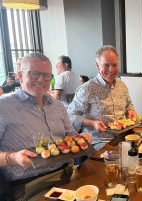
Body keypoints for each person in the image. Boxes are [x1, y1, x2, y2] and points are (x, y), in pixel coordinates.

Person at [0, 53, 92, 201]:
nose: (41, 80)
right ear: (20, 75)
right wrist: (13, 158)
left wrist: (81, 138)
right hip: (30, 184)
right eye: (34, 74)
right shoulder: (3, 106)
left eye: (46, 75)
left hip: (67, 172)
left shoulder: (57, 106)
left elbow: (71, 135)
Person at [68, 45, 137, 151]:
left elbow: (128, 103)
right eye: (106, 65)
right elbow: (70, 115)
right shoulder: (87, 89)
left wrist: (130, 110)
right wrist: (92, 123)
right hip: (99, 140)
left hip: (122, 137)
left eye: (114, 65)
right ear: (97, 65)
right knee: (117, 158)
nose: (111, 69)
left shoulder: (121, 85)